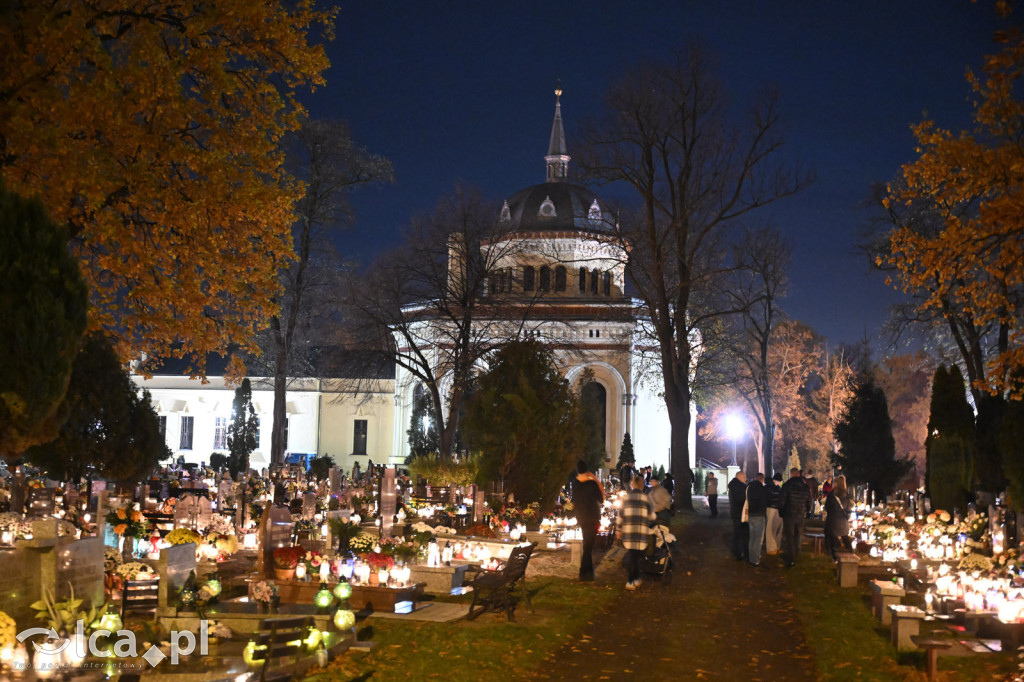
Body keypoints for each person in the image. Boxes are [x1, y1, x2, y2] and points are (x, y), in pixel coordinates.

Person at [572, 459, 605, 581]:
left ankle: (588, 571)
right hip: (592, 517)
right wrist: (595, 478)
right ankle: (583, 573)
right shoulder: (592, 484)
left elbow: (574, 500)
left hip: (581, 517)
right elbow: (601, 498)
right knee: (588, 546)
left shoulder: (575, 484)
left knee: (588, 544)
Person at [620, 476, 654, 590]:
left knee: (632, 555)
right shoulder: (646, 498)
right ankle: (631, 580)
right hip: (641, 531)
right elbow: (652, 516)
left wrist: (618, 530)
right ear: (642, 485)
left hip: (629, 531)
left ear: (632, 484)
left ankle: (634, 578)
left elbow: (620, 516)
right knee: (637, 556)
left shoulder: (625, 498)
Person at [780, 467, 812, 568]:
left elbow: (781, 501)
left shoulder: (786, 486)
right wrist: (806, 511)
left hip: (789, 515)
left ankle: (792, 559)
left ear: (791, 474)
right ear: (798, 474)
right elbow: (809, 502)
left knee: (790, 537)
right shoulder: (805, 487)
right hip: (800, 515)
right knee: (798, 535)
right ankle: (797, 553)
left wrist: (781, 513)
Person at [824, 474, 852, 560]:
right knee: (845, 537)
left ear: (835, 483)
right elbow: (848, 508)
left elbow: (827, 507)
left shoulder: (831, 495)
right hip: (843, 521)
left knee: (832, 538)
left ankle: (834, 557)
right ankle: (851, 553)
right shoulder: (847, 495)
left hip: (833, 521)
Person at [746, 473, 768, 567]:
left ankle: (751, 558)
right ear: (762, 479)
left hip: (751, 514)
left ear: (755, 478)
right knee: (758, 539)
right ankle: (756, 559)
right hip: (759, 515)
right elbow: (765, 501)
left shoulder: (749, 487)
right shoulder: (763, 489)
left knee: (752, 538)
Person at [727, 470, 748, 561]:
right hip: (740, 513)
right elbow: (742, 500)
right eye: (745, 477)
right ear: (741, 477)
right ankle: (740, 553)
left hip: (735, 513)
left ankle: (738, 553)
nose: (746, 479)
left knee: (737, 534)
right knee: (741, 534)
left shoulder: (733, 486)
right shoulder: (740, 487)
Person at [765, 472, 783, 555]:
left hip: (774, 508)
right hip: (772, 508)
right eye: (777, 481)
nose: (778, 482)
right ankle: (771, 548)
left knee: (774, 528)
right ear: (774, 480)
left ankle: (775, 547)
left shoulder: (772, 487)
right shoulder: (773, 488)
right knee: (771, 528)